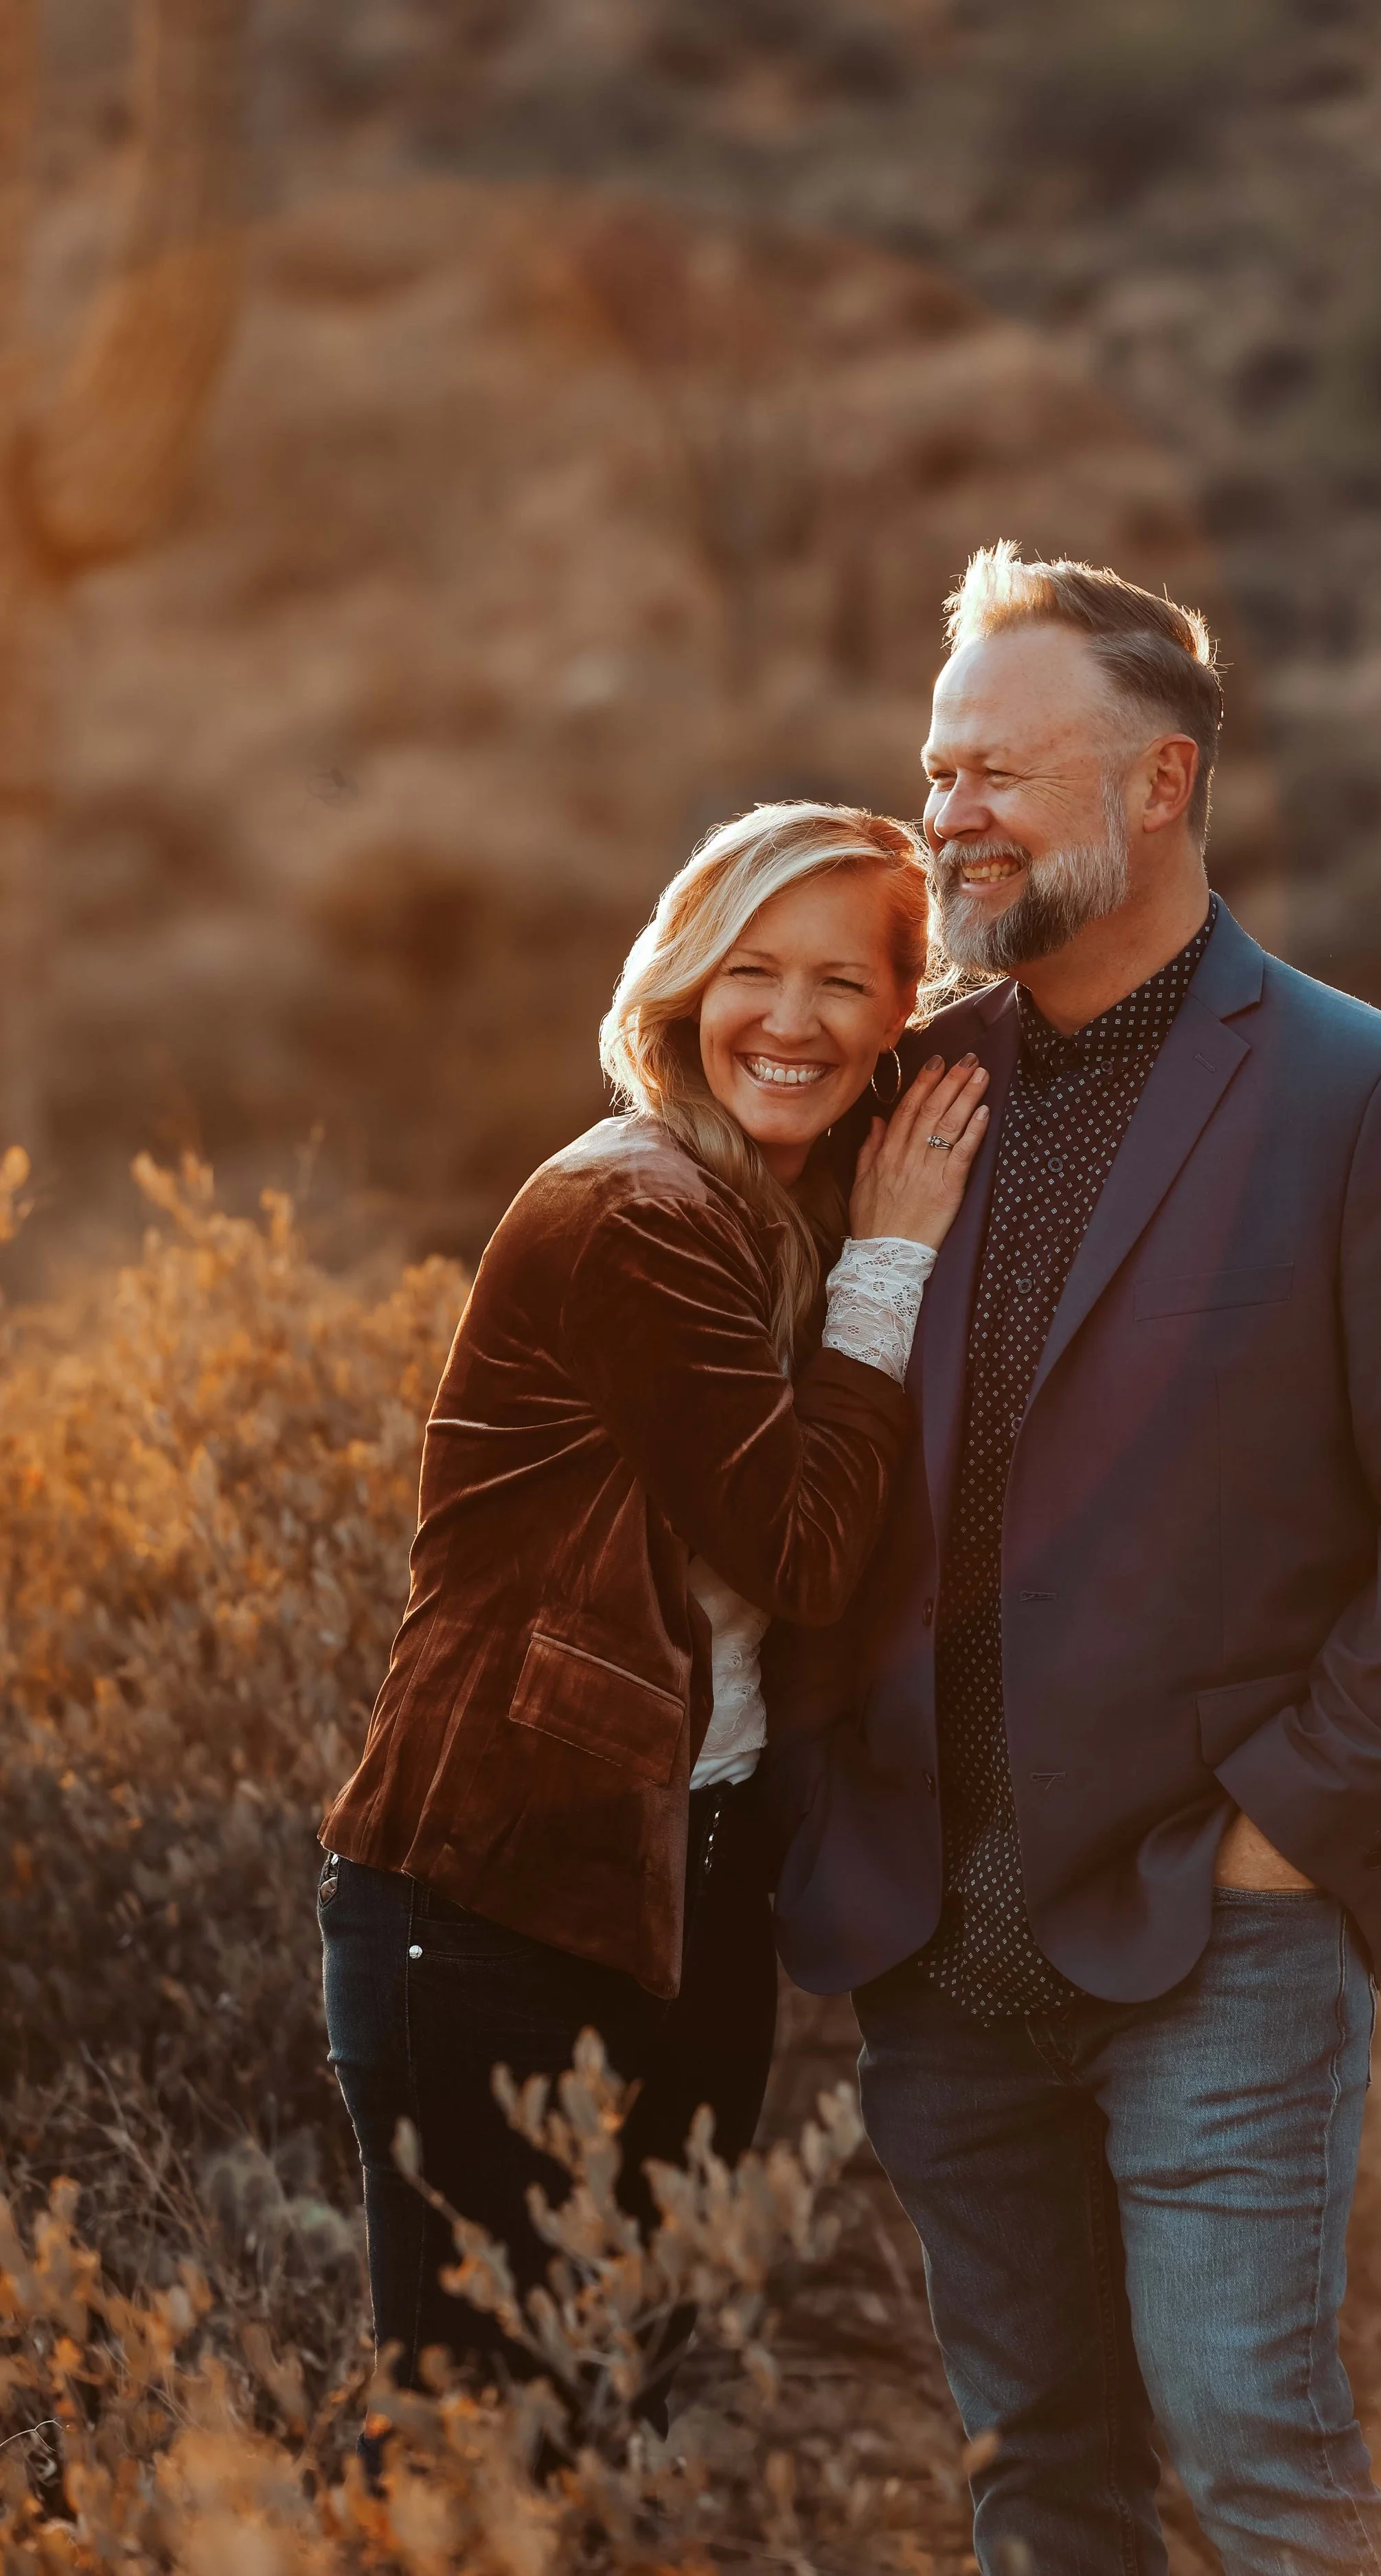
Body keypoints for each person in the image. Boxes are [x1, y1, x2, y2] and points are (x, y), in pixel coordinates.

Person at [764, 547, 1381, 2575]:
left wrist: (1295, 1820)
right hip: (934, 1939)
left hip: (1216, 1924)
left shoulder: (1360, 1092)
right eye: (937, 767)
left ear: (1160, 782)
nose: (948, 812)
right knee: (1038, 2476)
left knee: (1255, 2456)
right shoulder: (905, 1085)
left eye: (1002, 771)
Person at [318, 800, 989, 2421]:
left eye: (846, 982)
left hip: (690, 1888)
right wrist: (892, 1263)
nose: (791, 1019)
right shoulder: (635, 1214)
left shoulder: (779, 1205)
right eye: (751, 968)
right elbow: (804, 1552)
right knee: (484, 2448)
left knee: (622, 2417)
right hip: (493, 1898)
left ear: (902, 1014)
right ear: (682, 984)